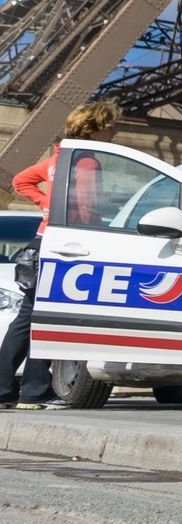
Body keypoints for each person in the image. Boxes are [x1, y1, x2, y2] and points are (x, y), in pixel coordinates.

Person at [2, 99, 120, 411]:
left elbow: (20, 181)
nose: (114, 131)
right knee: (49, 319)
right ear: (93, 129)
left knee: (27, 318)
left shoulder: (59, 158)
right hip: (67, 242)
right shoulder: (87, 162)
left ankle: (4, 389)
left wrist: (44, 204)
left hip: (43, 241)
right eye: (110, 126)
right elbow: (86, 208)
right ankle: (35, 391)